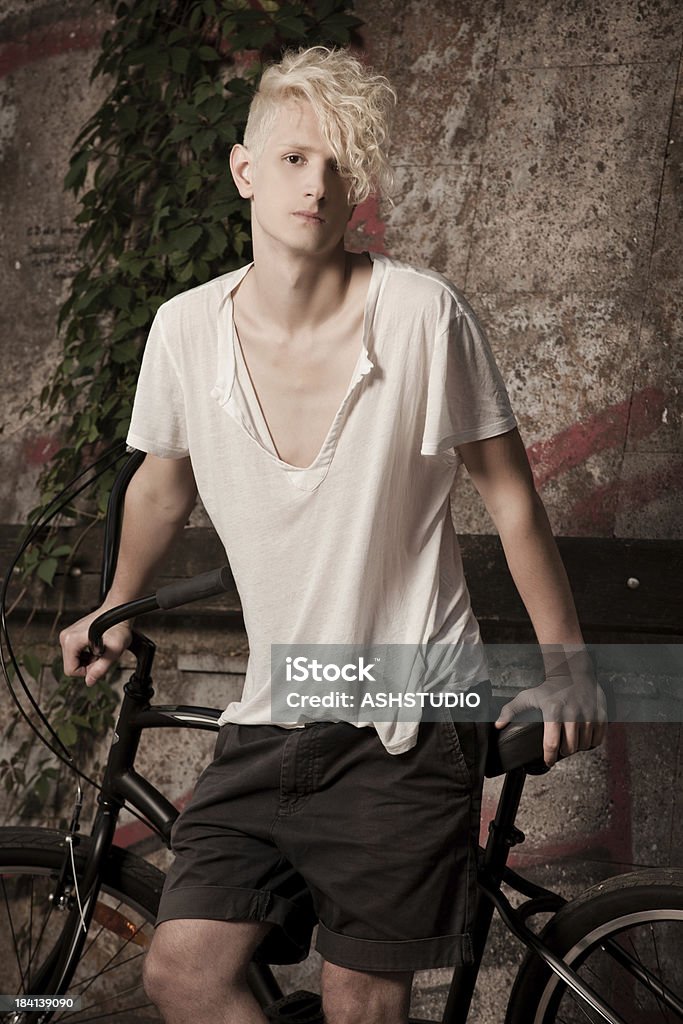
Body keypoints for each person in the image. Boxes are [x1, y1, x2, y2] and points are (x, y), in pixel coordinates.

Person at [60, 46, 606, 1024]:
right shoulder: (185, 332)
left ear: (359, 187)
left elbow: (513, 499)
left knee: (358, 1004)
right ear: (244, 170)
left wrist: (564, 665)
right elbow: (160, 482)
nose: (316, 182)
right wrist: (111, 598)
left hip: (403, 724)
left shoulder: (422, 317)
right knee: (182, 973)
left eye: (339, 164)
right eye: (294, 158)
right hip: (271, 715)